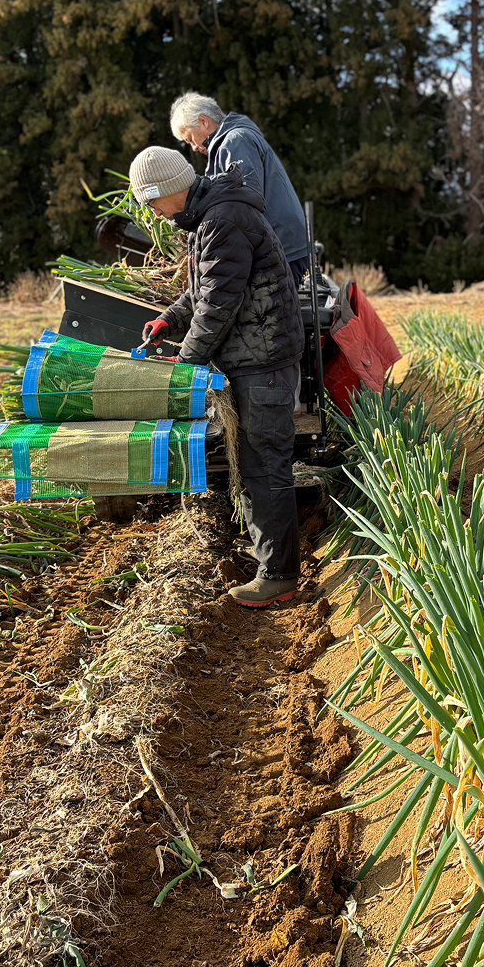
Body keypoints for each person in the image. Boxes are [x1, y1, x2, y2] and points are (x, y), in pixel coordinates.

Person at [129, 144, 305, 608]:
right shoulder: (210, 215)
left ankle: (280, 575)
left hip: (262, 361)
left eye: (150, 201)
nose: (150, 211)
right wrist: (169, 317)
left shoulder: (222, 219)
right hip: (254, 356)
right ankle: (269, 557)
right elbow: (203, 290)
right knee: (253, 463)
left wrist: (186, 360)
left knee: (264, 465)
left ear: (170, 190)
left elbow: (219, 305)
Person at [168, 93, 309, 289]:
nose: (193, 147)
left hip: (281, 246)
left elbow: (244, 199)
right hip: (281, 243)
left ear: (203, 121)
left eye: (190, 139)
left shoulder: (236, 142)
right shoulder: (227, 144)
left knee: (271, 314)